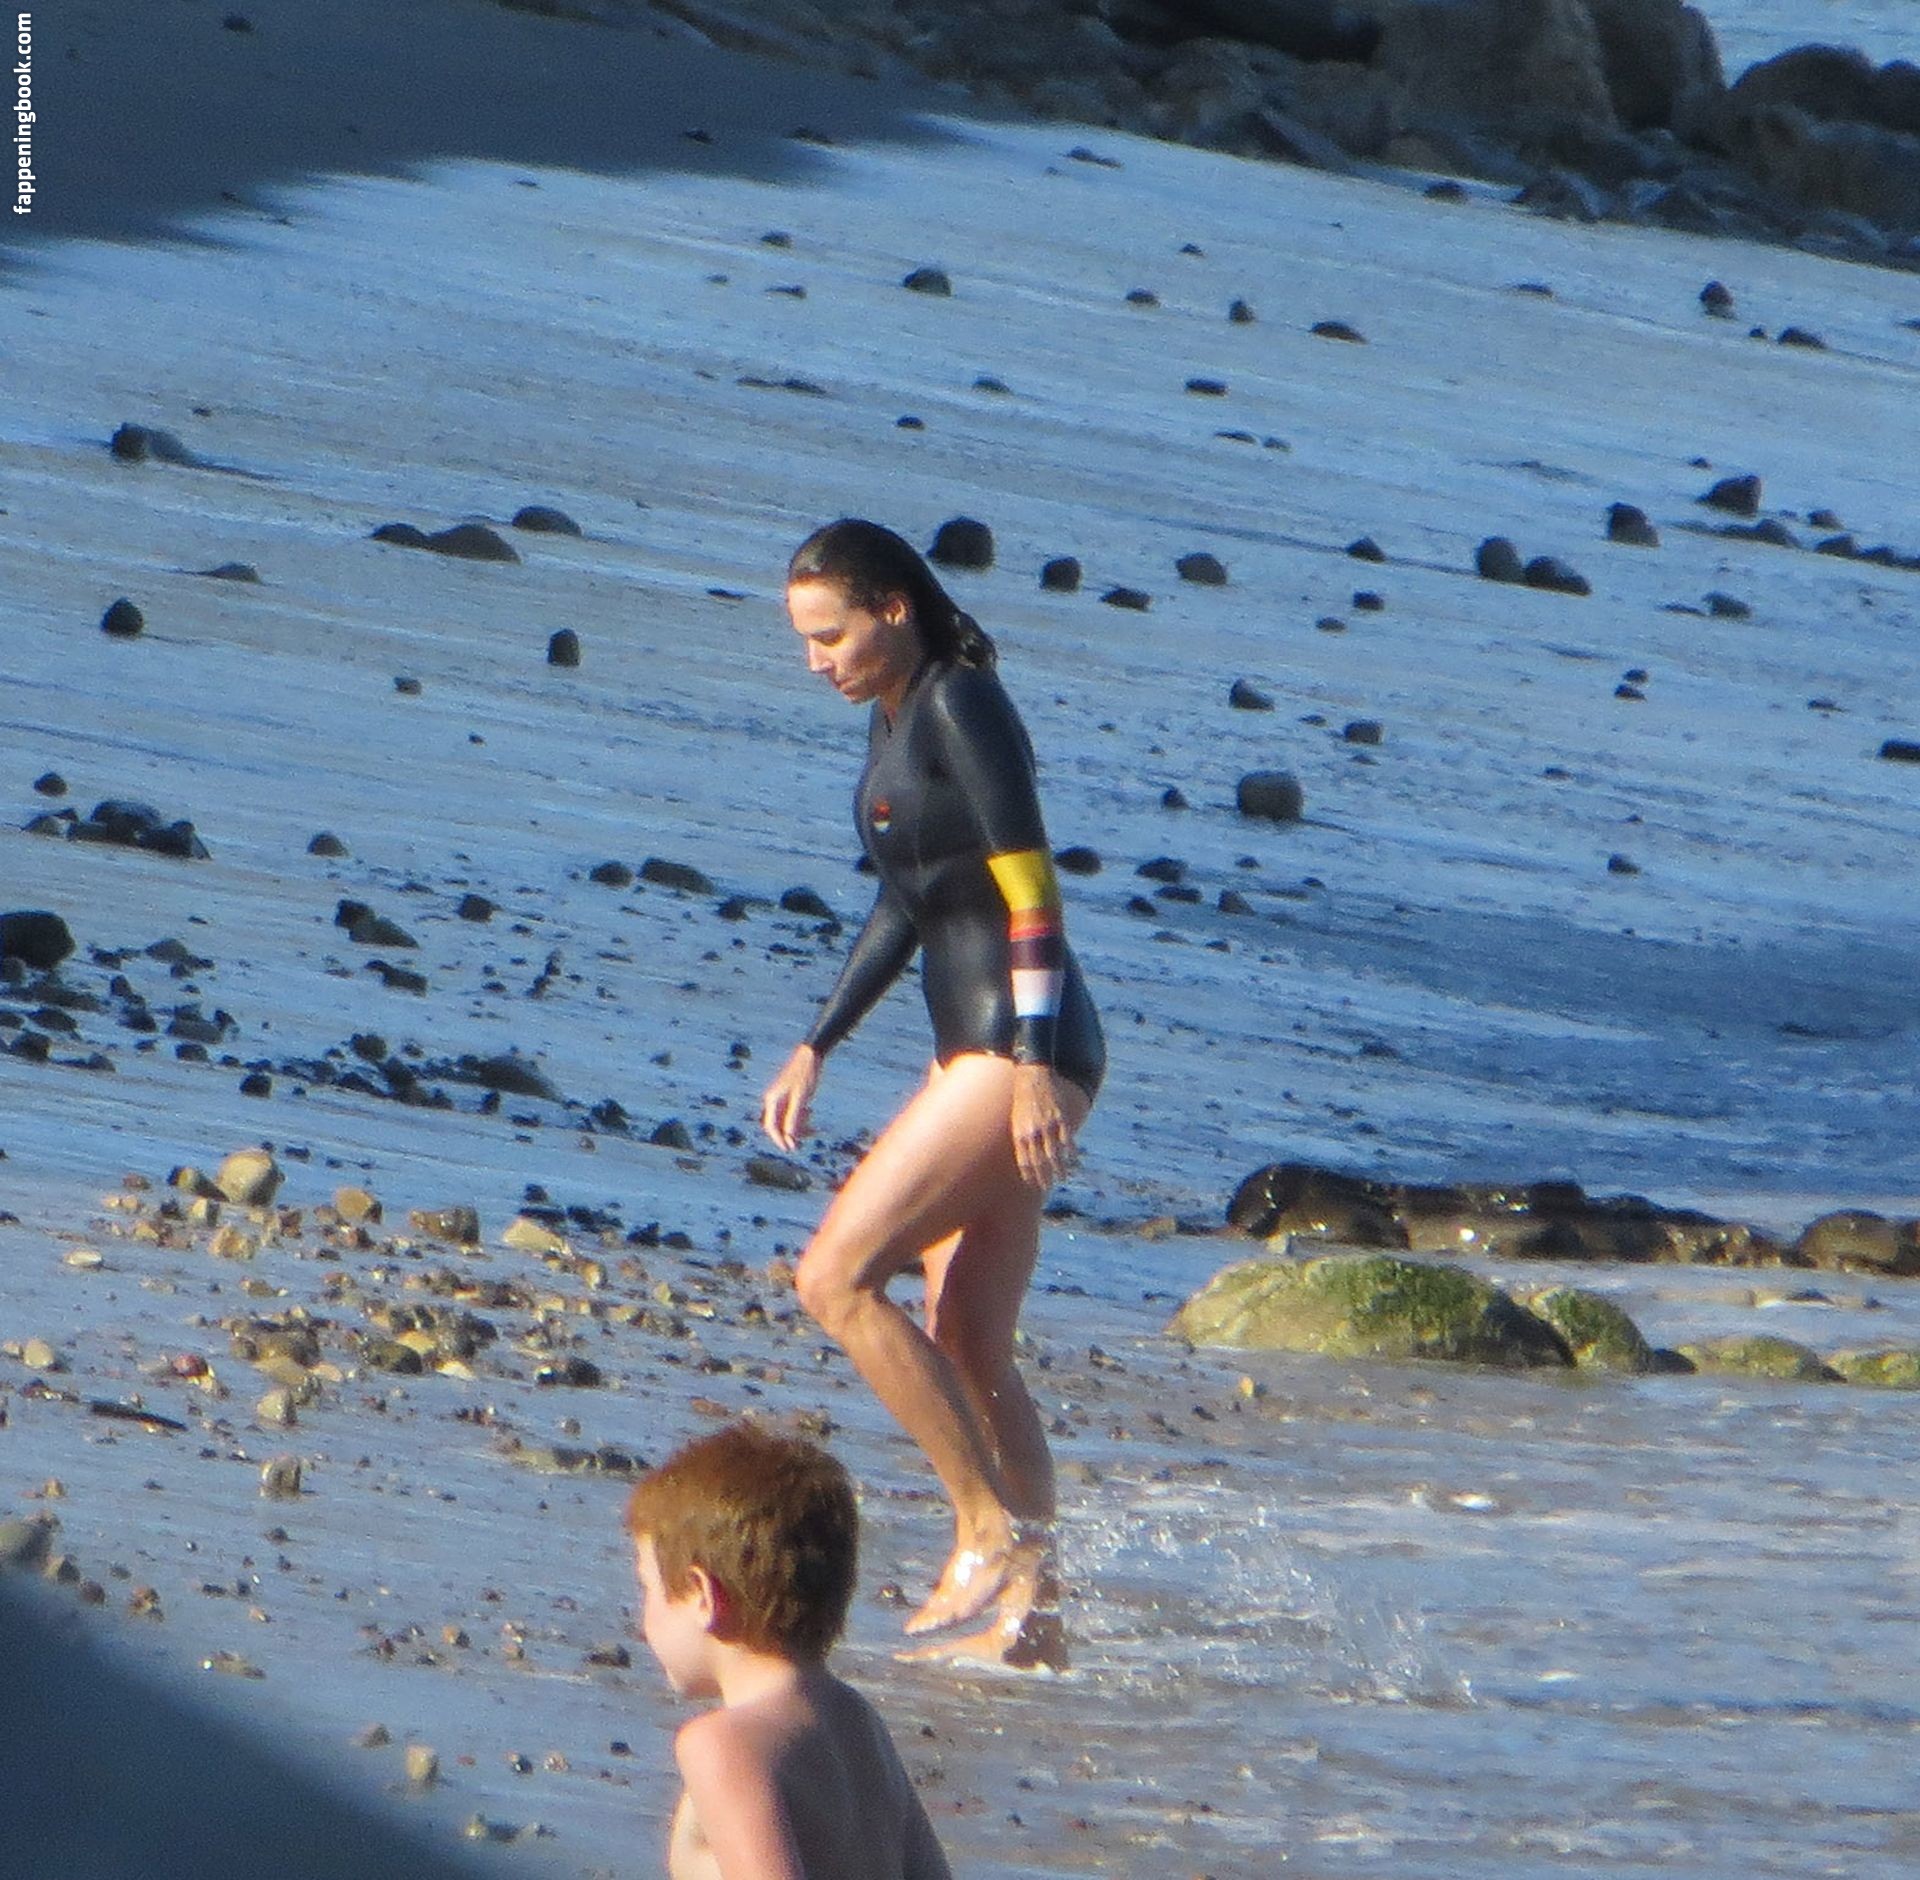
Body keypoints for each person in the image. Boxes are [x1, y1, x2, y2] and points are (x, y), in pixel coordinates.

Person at [760, 518, 1104, 1669]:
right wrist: (816, 1042)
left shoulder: (961, 703)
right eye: (806, 639)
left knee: (834, 1276)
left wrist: (1035, 1066)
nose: (816, 658)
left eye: (830, 634)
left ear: (893, 609)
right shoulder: (895, 713)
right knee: (969, 1339)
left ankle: (984, 1529)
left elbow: (1034, 892)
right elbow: (905, 903)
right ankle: (1034, 1622)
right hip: (979, 1052)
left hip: (1015, 1050)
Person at [626, 1421, 952, 1880]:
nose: (642, 1623)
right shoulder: (858, 1720)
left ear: (702, 1596)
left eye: (648, 1588)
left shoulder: (721, 1745)